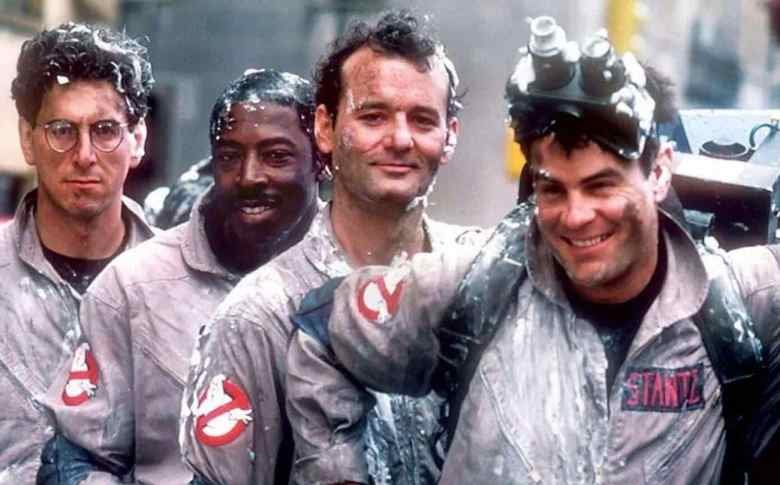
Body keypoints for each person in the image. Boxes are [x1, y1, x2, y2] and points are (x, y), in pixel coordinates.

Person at [285, 17, 780, 484]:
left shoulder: (742, 304)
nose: (576, 215)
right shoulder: (471, 286)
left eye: (601, 186)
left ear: (659, 171)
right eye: (553, 190)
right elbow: (321, 336)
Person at [179, 10, 484, 485]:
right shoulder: (261, 315)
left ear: (450, 138)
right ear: (325, 127)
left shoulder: (480, 280)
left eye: (423, 120)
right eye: (373, 116)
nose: (400, 139)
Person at [37, 69, 322, 484]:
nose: (249, 176)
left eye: (276, 156)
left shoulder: (362, 283)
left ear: (322, 159)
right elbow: (72, 460)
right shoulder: (132, 287)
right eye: (229, 156)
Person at [0, 22, 156, 483]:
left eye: (105, 130)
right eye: (62, 130)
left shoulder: (184, 287)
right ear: (27, 138)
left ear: (138, 139)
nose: (84, 154)